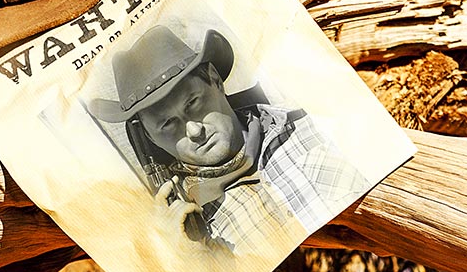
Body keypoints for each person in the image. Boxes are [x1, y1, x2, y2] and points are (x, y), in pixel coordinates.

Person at [89, 25, 366, 249]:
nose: (194, 131)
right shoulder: (188, 227)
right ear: (150, 137)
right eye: (168, 124)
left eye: (193, 103)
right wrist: (185, 257)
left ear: (215, 79)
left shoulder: (312, 122)